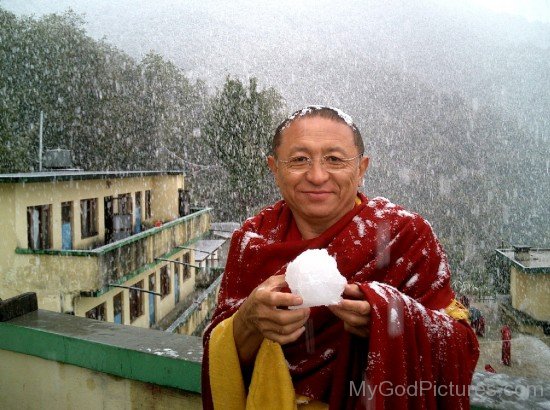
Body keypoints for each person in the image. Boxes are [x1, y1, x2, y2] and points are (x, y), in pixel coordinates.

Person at [202, 106, 479, 409]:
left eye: (334, 159)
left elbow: (461, 348)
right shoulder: (252, 242)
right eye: (299, 160)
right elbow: (220, 352)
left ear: (361, 168)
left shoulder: (404, 235)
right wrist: (248, 322)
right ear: (275, 168)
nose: (317, 176)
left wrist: (391, 318)